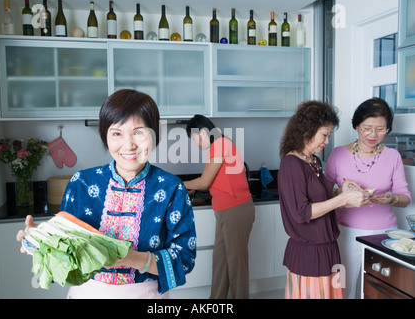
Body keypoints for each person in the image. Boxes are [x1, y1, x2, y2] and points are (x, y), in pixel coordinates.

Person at [16, 89, 196, 298]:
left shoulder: (171, 188)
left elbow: (184, 259)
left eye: (139, 132)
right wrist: (40, 240)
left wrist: (133, 259)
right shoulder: (82, 183)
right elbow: (67, 252)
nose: (129, 145)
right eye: (117, 133)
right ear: (105, 136)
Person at [278, 101, 368, 299]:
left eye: (329, 135)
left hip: (328, 248)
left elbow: (321, 198)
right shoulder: (291, 164)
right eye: (324, 134)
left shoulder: (314, 161)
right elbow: (302, 212)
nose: (327, 141)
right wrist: (342, 199)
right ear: (307, 131)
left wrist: (340, 192)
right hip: (308, 252)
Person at [324, 97, 412, 299]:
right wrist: (341, 193)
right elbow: (323, 192)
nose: (373, 134)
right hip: (345, 233)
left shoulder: (393, 156)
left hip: (384, 235)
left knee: (379, 289)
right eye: (367, 128)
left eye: (380, 129)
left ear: (388, 129)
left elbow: (405, 197)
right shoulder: (338, 154)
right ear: (356, 126)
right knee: (343, 290)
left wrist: (391, 199)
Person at [183, 114, 255, 299]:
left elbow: (204, 182)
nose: (195, 143)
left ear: (203, 133)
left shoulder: (221, 144)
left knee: (236, 263)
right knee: (221, 261)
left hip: (235, 210)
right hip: (226, 211)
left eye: (193, 138)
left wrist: (178, 184)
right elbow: (215, 181)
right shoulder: (220, 145)